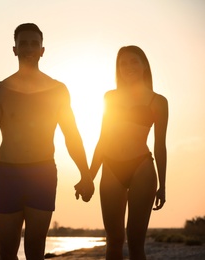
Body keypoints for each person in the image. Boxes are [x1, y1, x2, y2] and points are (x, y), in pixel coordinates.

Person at [0, 23, 94, 260]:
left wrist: (85, 173)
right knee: (6, 252)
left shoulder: (58, 90)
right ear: (14, 49)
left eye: (34, 43)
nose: (29, 47)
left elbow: (72, 135)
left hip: (42, 174)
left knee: (35, 251)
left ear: (42, 50)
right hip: (9, 174)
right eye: (23, 43)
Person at [89, 45, 168, 260]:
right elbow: (103, 139)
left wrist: (163, 185)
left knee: (135, 242)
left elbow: (160, 144)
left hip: (141, 167)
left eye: (134, 61)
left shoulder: (158, 101)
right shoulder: (110, 97)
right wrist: (89, 176)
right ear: (118, 69)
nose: (128, 66)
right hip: (111, 167)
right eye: (123, 63)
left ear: (144, 66)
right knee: (113, 241)